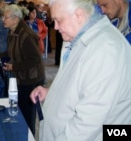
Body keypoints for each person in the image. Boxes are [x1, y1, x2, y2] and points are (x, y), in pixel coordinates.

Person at [30, 0, 131, 141]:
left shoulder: (106, 49)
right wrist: (51, 93)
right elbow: (79, 83)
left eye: (58, 21)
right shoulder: (81, 39)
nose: (56, 27)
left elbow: (88, 123)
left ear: (78, 15)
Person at [1, 4, 45, 136]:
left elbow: (35, 59)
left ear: (16, 19)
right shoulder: (12, 31)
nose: (3, 19)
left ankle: (29, 136)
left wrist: (14, 67)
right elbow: (11, 51)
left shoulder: (25, 35)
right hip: (22, 77)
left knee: (27, 114)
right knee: (20, 111)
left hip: (31, 79)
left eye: (6, 17)